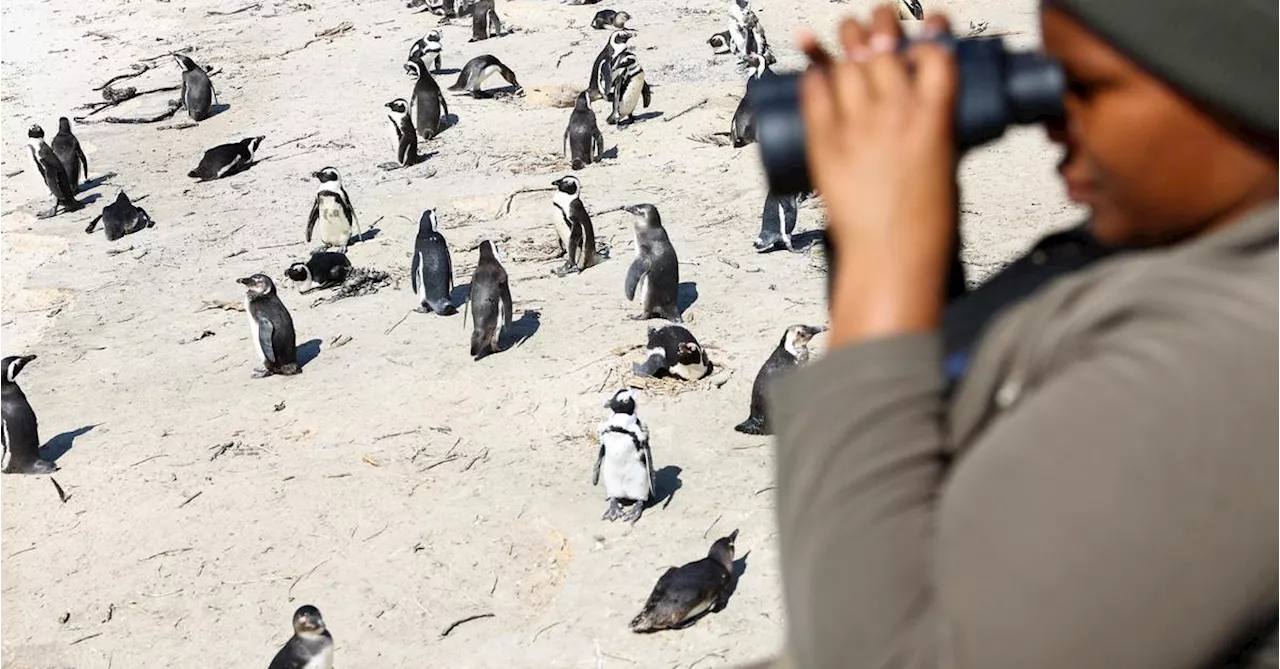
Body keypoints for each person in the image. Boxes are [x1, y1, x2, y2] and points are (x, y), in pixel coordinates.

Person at [748, 1, 1280, 667]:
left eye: (1084, 87)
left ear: (1241, 86)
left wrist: (886, 253)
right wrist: (917, 234)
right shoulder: (1183, 235)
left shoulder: (1233, 370)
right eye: (1043, 74)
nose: (1052, 120)